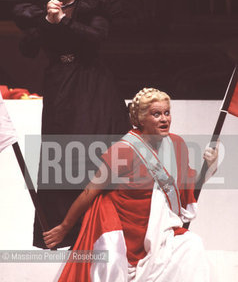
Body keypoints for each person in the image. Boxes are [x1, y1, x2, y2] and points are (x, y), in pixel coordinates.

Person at [43, 87, 218, 281]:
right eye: (156, 114)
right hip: (123, 234)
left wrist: (209, 167)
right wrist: (64, 227)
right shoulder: (123, 150)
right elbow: (89, 192)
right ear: (141, 119)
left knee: (192, 245)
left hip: (159, 233)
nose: (164, 119)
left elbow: (188, 185)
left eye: (167, 113)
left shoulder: (176, 144)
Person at [13, 0, 131, 248]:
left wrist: (62, 21)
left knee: (92, 150)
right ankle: (65, 230)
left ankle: (102, 228)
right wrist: (46, 21)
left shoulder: (94, 6)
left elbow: (96, 39)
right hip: (59, 84)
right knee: (61, 152)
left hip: (91, 83)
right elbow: (27, 50)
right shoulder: (43, 13)